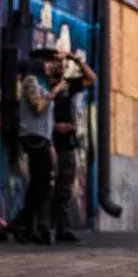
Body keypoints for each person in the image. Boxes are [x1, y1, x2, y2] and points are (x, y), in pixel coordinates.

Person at [48, 49, 96, 242]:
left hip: (68, 142)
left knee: (65, 185)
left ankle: (62, 227)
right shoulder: (46, 85)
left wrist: (76, 59)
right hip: (50, 140)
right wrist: (55, 126)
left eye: (61, 63)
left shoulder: (67, 85)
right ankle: (45, 226)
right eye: (55, 62)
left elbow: (92, 78)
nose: (59, 66)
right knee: (47, 186)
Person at [16, 52, 60, 244]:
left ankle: (27, 225)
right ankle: (23, 223)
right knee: (39, 184)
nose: (49, 66)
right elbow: (38, 106)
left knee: (41, 184)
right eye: (47, 62)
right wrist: (54, 92)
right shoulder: (31, 81)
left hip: (43, 139)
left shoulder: (42, 83)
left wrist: (50, 143)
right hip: (32, 137)